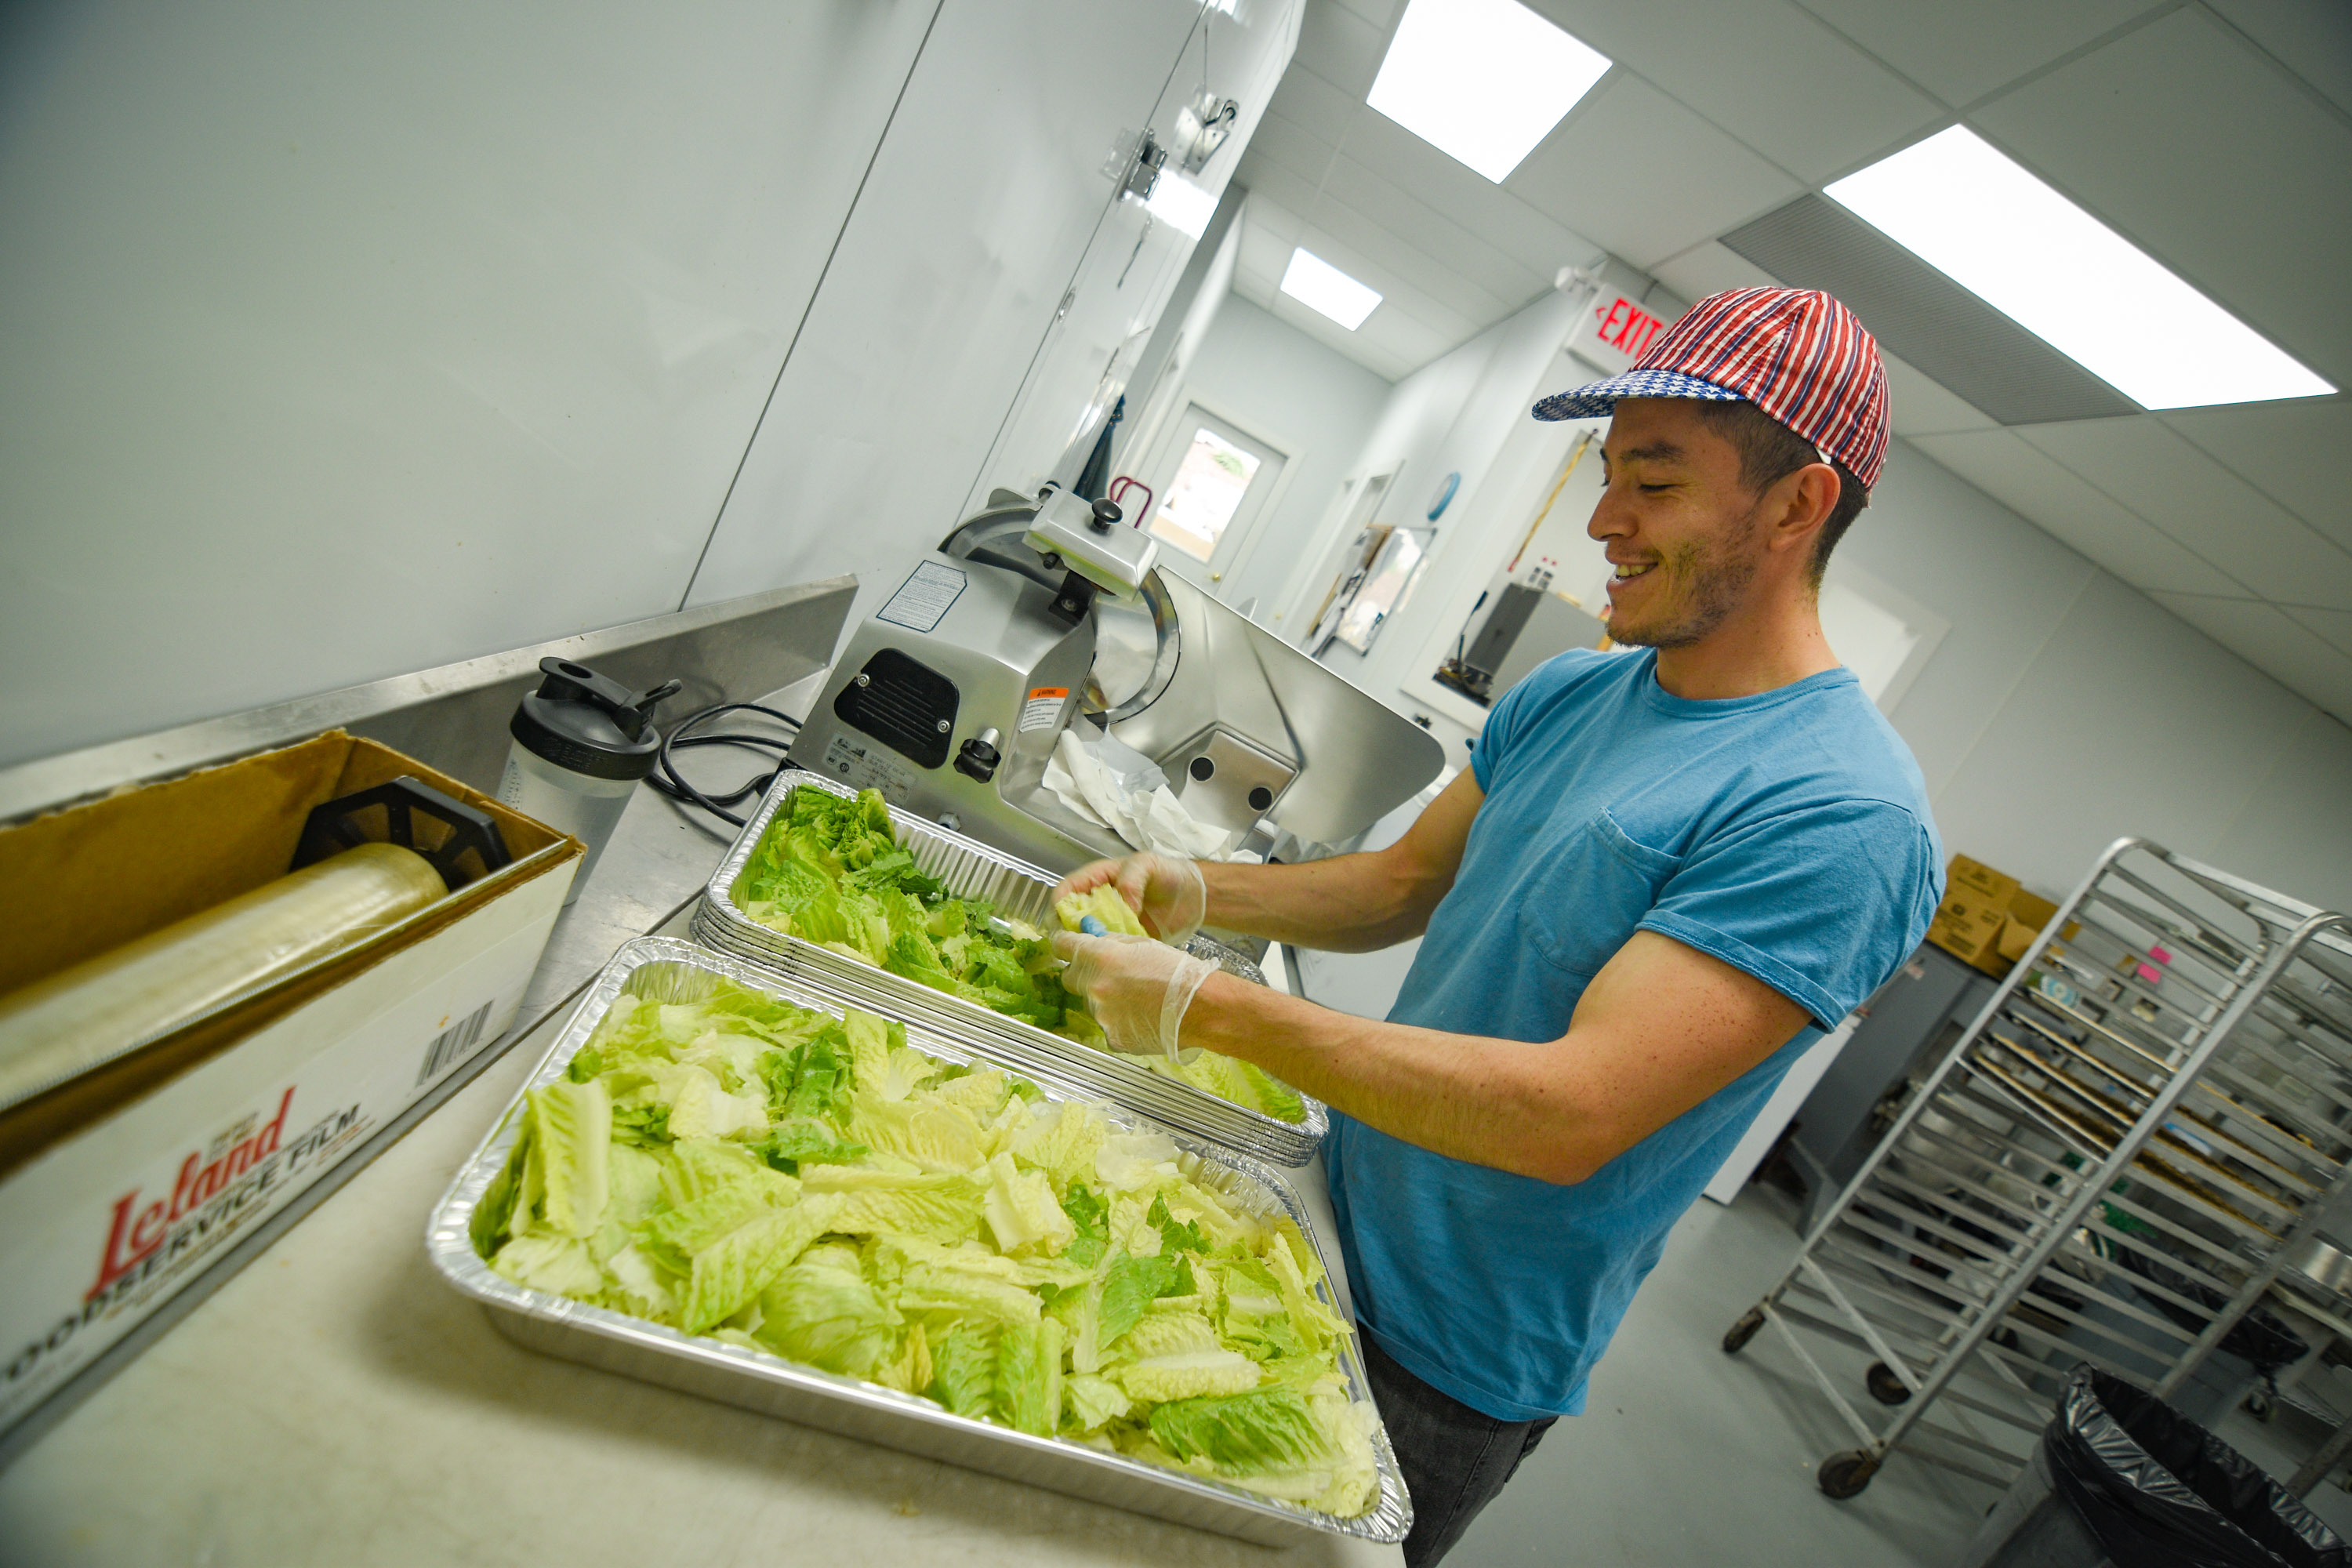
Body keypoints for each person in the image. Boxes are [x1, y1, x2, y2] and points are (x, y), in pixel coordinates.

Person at [1050, 288, 1945, 1566]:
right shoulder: (1574, 691)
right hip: (1316, 1211)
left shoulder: (1841, 814)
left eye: (1655, 482)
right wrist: (1194, 891)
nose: (1604, 519)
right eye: (1607, 472)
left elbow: (1568, 1114)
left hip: (1445, 1358)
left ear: (1798, 504)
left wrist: (1210, 1008)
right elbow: (1399, 887)